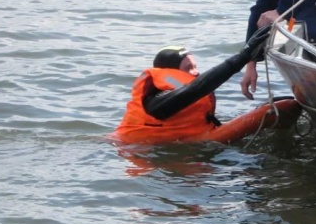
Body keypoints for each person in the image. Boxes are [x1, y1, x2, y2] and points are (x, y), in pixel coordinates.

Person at [114, 26, 270, 144]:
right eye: (188, 68)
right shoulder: (155, 102)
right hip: (132, 148)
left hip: (187, 142)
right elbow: (195, 89)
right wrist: (243, 57)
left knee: (278, 106)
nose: (195, 72)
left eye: (195, 66)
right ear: (170, 72)